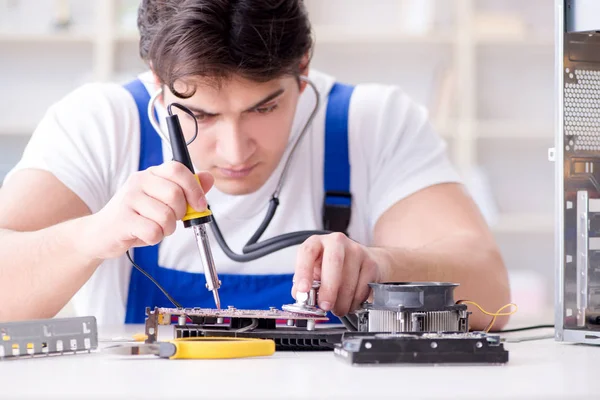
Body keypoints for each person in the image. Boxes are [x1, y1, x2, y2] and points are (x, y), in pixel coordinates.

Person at [0, 0, 510, 329]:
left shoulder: (373, 121)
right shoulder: (100, 123)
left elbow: (492, 292)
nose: (235, 151)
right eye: (199, 114)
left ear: (303, 67)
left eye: (264, 108)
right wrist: (90, 236)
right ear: (157, 80)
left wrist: (384, 266)